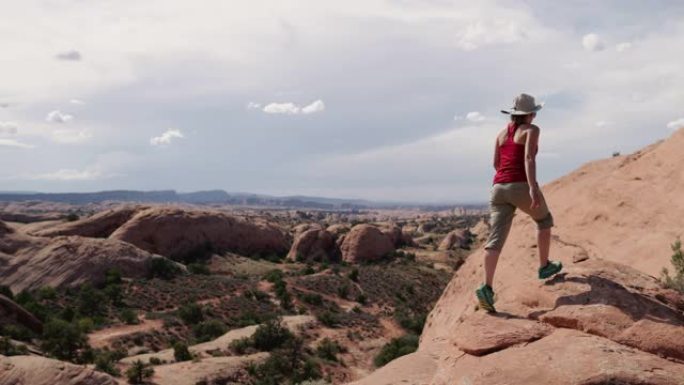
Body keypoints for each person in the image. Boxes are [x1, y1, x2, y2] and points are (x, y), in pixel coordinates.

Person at [475, 93, 563, 313]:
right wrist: (532, 187)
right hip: (520, 184)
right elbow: (529, 158)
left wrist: (506, 179)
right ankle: (544, 267)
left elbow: (496, 163)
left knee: (495, 240)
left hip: (498, 188)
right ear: (530, 114)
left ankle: (486, 288)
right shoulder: (532, 130)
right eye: (534, 113)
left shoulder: (501, 134)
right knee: (544, 220)